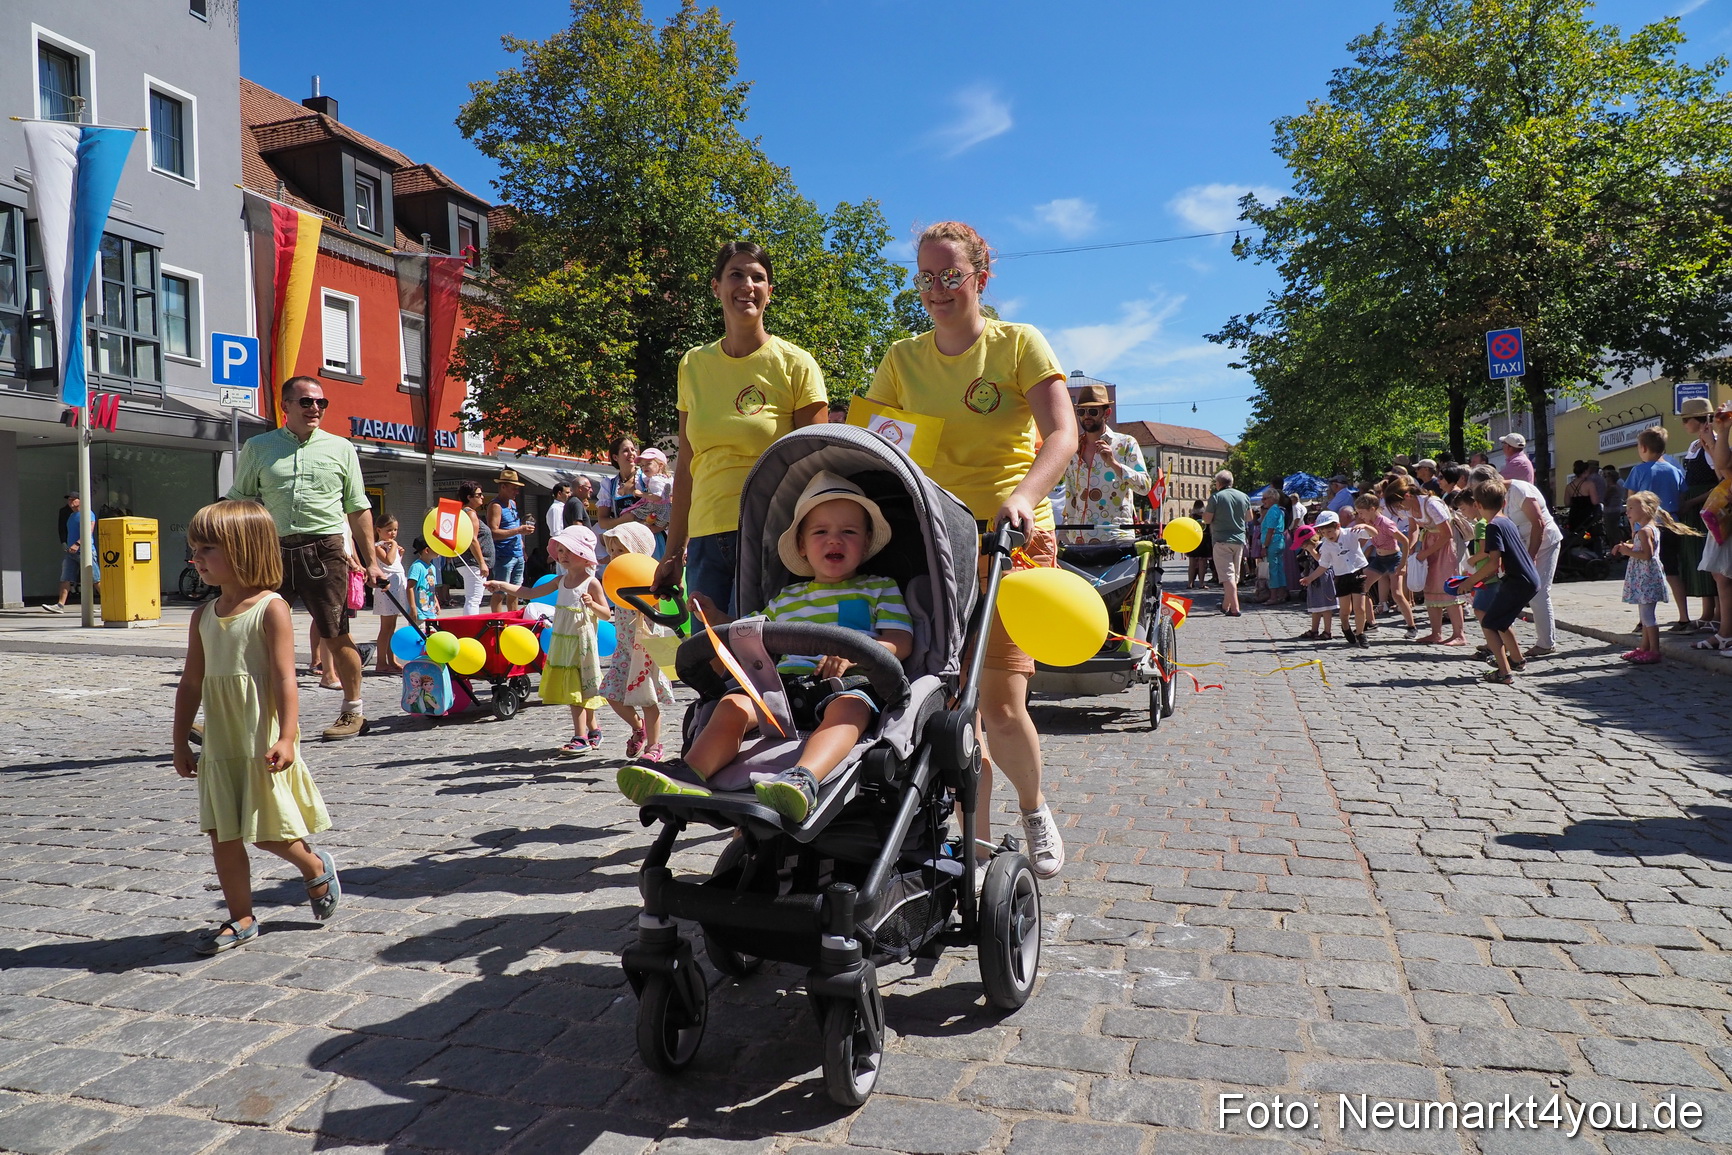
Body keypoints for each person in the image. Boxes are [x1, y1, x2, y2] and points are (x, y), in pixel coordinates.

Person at [862, 221, 1077, 877]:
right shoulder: (902, 358)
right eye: (926, 277)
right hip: (939, 543)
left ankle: (1034, 808)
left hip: (1013, 540)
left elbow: (1061, 434)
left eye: (950, 275)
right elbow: (876, 444)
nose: (937, 289)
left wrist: (1024, 496)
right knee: (952, 711)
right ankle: (976, 851)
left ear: (981, 277)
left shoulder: (1017, 344)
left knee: (1002, 705)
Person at [617, 473, 913, 823]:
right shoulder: (787, 597)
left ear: (865, 543)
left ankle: (803, 778)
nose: (835, 539)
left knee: (850, 710)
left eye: (849, 532)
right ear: (801, 546)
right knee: (733, 704)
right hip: (781, 689)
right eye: (820, 532)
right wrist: (716, 617)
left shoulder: (879, 588)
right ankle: (691, 772)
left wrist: (856, 653)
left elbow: (901, 641)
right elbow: (748, 632)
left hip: (846, 685)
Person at [172, 500, 337, 955]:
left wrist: (287, 736)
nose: (196, 558)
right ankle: (240, 917)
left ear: (244, 550)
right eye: (194, 548)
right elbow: (191, 682)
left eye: (207, 548)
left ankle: (313, 866)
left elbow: (285, 677)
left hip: (261, 736)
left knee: (268, 832)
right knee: (223, 833)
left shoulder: (271, 608)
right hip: (221, 741)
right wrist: (180, 739)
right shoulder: (202, 616)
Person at [654, 242, 828, 615]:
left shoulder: (796, 364)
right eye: (736, 274)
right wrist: (674, 551)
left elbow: (818, 466)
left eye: (758, 277)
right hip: (704, 541)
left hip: (769, 536)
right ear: (716, 286)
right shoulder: (693, 365)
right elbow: (687, 465)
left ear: (769, 292)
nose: (747, 285)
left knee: (753, 648)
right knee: (708, 649)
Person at [227, 377, 381, 740]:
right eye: (306, 402)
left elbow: (358, 507)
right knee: (254, 635)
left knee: (335, 634)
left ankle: (353, 711)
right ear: (286, 406)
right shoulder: (259, 447)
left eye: (321, 403)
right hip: (272, 551)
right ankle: (245, 720)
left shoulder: (341, 448)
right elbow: (239, 499)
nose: (315, 408)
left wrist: (372, 561)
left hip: (324, 551)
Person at [490, 525, 609, 755]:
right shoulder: (560, 581)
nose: (563, 555)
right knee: (578, 689)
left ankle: (580, 737)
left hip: (582, 645)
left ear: (584, 555)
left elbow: (605, 614)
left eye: (569, 551)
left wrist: (592, 604)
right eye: (560, 551)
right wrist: (502, 585)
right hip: (563, 644)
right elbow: (529, 593)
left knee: (579, 689)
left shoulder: (591, 583)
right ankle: (593, 730)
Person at [599, 521, 676, 763]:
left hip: (646, 650)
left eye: (620, 550)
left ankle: (654, 745)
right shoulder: (617, 580)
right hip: (624, 650)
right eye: (612, 551)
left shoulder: (647, 579)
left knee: (647, 698)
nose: (614, 556)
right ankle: (638, 728)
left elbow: (662, 605)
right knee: (611, 693)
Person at [1468, 464, 1562, 656]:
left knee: (1538, 593)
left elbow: (1539, 523)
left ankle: (1546, 643)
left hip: (1544, 542)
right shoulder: (1497, 497)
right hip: (1521, 544)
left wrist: (1530, 557)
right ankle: (1499, 640)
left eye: (1477, 489)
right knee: (1509, 593)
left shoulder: (1520, 490)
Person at [1463, 479, 1540, 684]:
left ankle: (1504, 673)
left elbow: (1493, 563)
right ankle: (1517, 660)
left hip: (1517, 581)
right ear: (1504, 502)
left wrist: (1470, 582)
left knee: (1489, 623)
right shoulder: (1506, 521)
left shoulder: (1492, 527)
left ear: (1477, 505)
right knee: (1501, 621)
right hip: (1529, 579)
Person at [1059, 384, 1150, 545]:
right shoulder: (1073, 447)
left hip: (1116, 538)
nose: (1086, 416)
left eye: (1093, 411)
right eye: (1081, 412)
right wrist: (1070, 532)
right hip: (1080, 540)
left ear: (1107, 413)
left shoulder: (1126, 444)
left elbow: (1145, 486)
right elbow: (1071, 495)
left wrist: (1114, 464)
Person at [1625, 427, 1690, 629]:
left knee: (1643, 572)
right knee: (1672, 571)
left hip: (1646, 527)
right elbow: (1681, 498)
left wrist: (1632, 528)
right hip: (1671, 525)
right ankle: (1684, 618)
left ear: (1643, 448)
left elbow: (1631, 502)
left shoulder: (1639, 471)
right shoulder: (1674, 470)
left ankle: (1644, 621)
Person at [1612, 491, 1684, 665]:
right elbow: (1640, 547)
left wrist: (1627, 551)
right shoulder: (1646, 529)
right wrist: (1627, 545)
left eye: (1631, 508)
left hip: (1646, 577)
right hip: (1644, 577)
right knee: (1644, 616)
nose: (1627, 511)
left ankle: (1654, 650)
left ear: (1645, 509)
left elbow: (1647, 555)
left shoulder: (1645, 531)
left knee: (1648, 616)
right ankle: (1644, 647)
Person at [1677, 398, 1719, 629]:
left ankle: (1719, 614)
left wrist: (1693, 501)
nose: (1684, 424)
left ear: (1700, 420)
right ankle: (1706, 612)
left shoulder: (1714, 444)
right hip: (1694, 509)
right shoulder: (1694, 446)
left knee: (1713, 559)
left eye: (1686, 419)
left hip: (1709, 507)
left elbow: (1720, 483)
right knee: (1699, 559)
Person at [1356, 490, 1414, 638]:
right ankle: (1371, 623)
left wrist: (1403, 564)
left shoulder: (1386, 523)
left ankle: (1411, 626)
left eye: (1362, 512)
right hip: (1380, 559)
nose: (1360, 516)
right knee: (1361, 587)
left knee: (1397, 593)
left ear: (1372, 509)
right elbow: (1363, 540)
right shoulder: (1368, 523)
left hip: (1394, 559)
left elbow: (1405, 541)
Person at [1313, 510, 1372, 646]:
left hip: (1357, 572)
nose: (1327, 535)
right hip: (1341, 577)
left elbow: (1373, 534)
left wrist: (1366, 526)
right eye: (1323, 533)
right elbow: (1323, 565)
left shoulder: (1351, 533)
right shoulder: (1326, 546)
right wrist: (1310, 578)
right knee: (1345, 610)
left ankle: (1361, 633)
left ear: (1338, 526)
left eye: (1330, 531)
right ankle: (1345, 626)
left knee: (1360, 607)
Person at [486, 470, 535, 613]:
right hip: (504, 556)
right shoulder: (496, 506)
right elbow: (493, 532)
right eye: (513, 488)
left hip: (517, 554)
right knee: (499, 591)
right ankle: (497, 621)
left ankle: (512, 619)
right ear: (503, 487)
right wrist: (519, 530)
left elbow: (514, 527)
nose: (516, 492)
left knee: (515, 591)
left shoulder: (512, 504)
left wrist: (523, 548)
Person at [1203, 471, 1251, 616]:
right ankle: (1226, 605)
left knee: (1227, 575)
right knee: (1234, 575)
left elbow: (1207, 520)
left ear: (1218, 483)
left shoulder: (1216, 497)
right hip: (1239, 539)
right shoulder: (1244, 496)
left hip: (1221, 540)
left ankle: (1235, 608)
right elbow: (1249, 517)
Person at [46, 492, 98, 613]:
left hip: (85, 551)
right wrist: (67, 544)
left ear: (81, 500)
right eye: (69, 500)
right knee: (65, 577)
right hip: (71, 552)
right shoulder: (71, 515)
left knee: (95, 578)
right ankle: (60, 605)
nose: (70, 502)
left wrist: (77, 544)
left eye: (73, 499)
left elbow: (88, 532)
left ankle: (107, 603)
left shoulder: (87, 514)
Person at [372, 515, 408, 674]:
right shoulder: (378, 546)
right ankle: (381, 662)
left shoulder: (389, 545)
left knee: (392, 626)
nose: (393, 533)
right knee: (385, 627)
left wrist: (399, 553)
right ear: (379, 530)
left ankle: (391, 659)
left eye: (395, 530)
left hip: (396, 587)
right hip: (386, 590)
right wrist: (393, 546)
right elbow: (388, 561)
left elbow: (394, 564)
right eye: (389, 530)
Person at [454, 480, 492, 615]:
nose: (482, 497)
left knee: (472, 599)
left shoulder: (462, 513)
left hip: (467, 562)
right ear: (469, 497)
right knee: (473, 599)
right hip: (473, 563)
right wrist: (482, 563)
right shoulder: (470, 513)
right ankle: (471, 626)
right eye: (479, 495)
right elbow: (473, 539)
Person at [1296, 523, 1336, 639]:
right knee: (1316, 605)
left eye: (1303, 545)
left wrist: (1311, 550)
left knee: (1326, 606)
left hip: (1324, 578)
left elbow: (1322, 561)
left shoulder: (1322, 546)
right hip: (1315, 577)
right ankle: (1314, 629)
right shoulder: (1311, 549)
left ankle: (1327, 631)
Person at [1259, 488, 1289, 604]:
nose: (1263, 501)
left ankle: (1273, 597)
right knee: (1280, 569)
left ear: (1272, 499)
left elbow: (1270, 531)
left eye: (1265, 498)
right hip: (1279, 541)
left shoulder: (1272, 511)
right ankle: (1282, 594)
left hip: (1272, 543)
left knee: (1273, 570)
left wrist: (1264, 547)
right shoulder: (1279, 510)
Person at [407, 538, 440, 623]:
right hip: (419, 613)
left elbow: (431, 588)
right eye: (436, 547)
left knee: (430, 630)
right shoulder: (417, 566)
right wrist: (413, 607)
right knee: (419, 631)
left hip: (430, 612)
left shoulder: (432, 567)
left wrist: (436, 602)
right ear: (427, 550)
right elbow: (410, 587)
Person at [1186, 499, 1212, 588]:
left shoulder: (1192, 517)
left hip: (1193, 539)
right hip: (1204, 539)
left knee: (1192, 563)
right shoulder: (1206, 516)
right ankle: (1201, 583)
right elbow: (1210, 528)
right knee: (1202, 563)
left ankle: (1190, 583)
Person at [1602, 464, 1627, 544]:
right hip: (1616, 510)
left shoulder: (1612, 488)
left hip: (1610, 511)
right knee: (1615, 531)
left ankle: (1616, 548)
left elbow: (1605, 499)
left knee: (1611, 533)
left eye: (1606, 476)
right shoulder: (1617, 485)